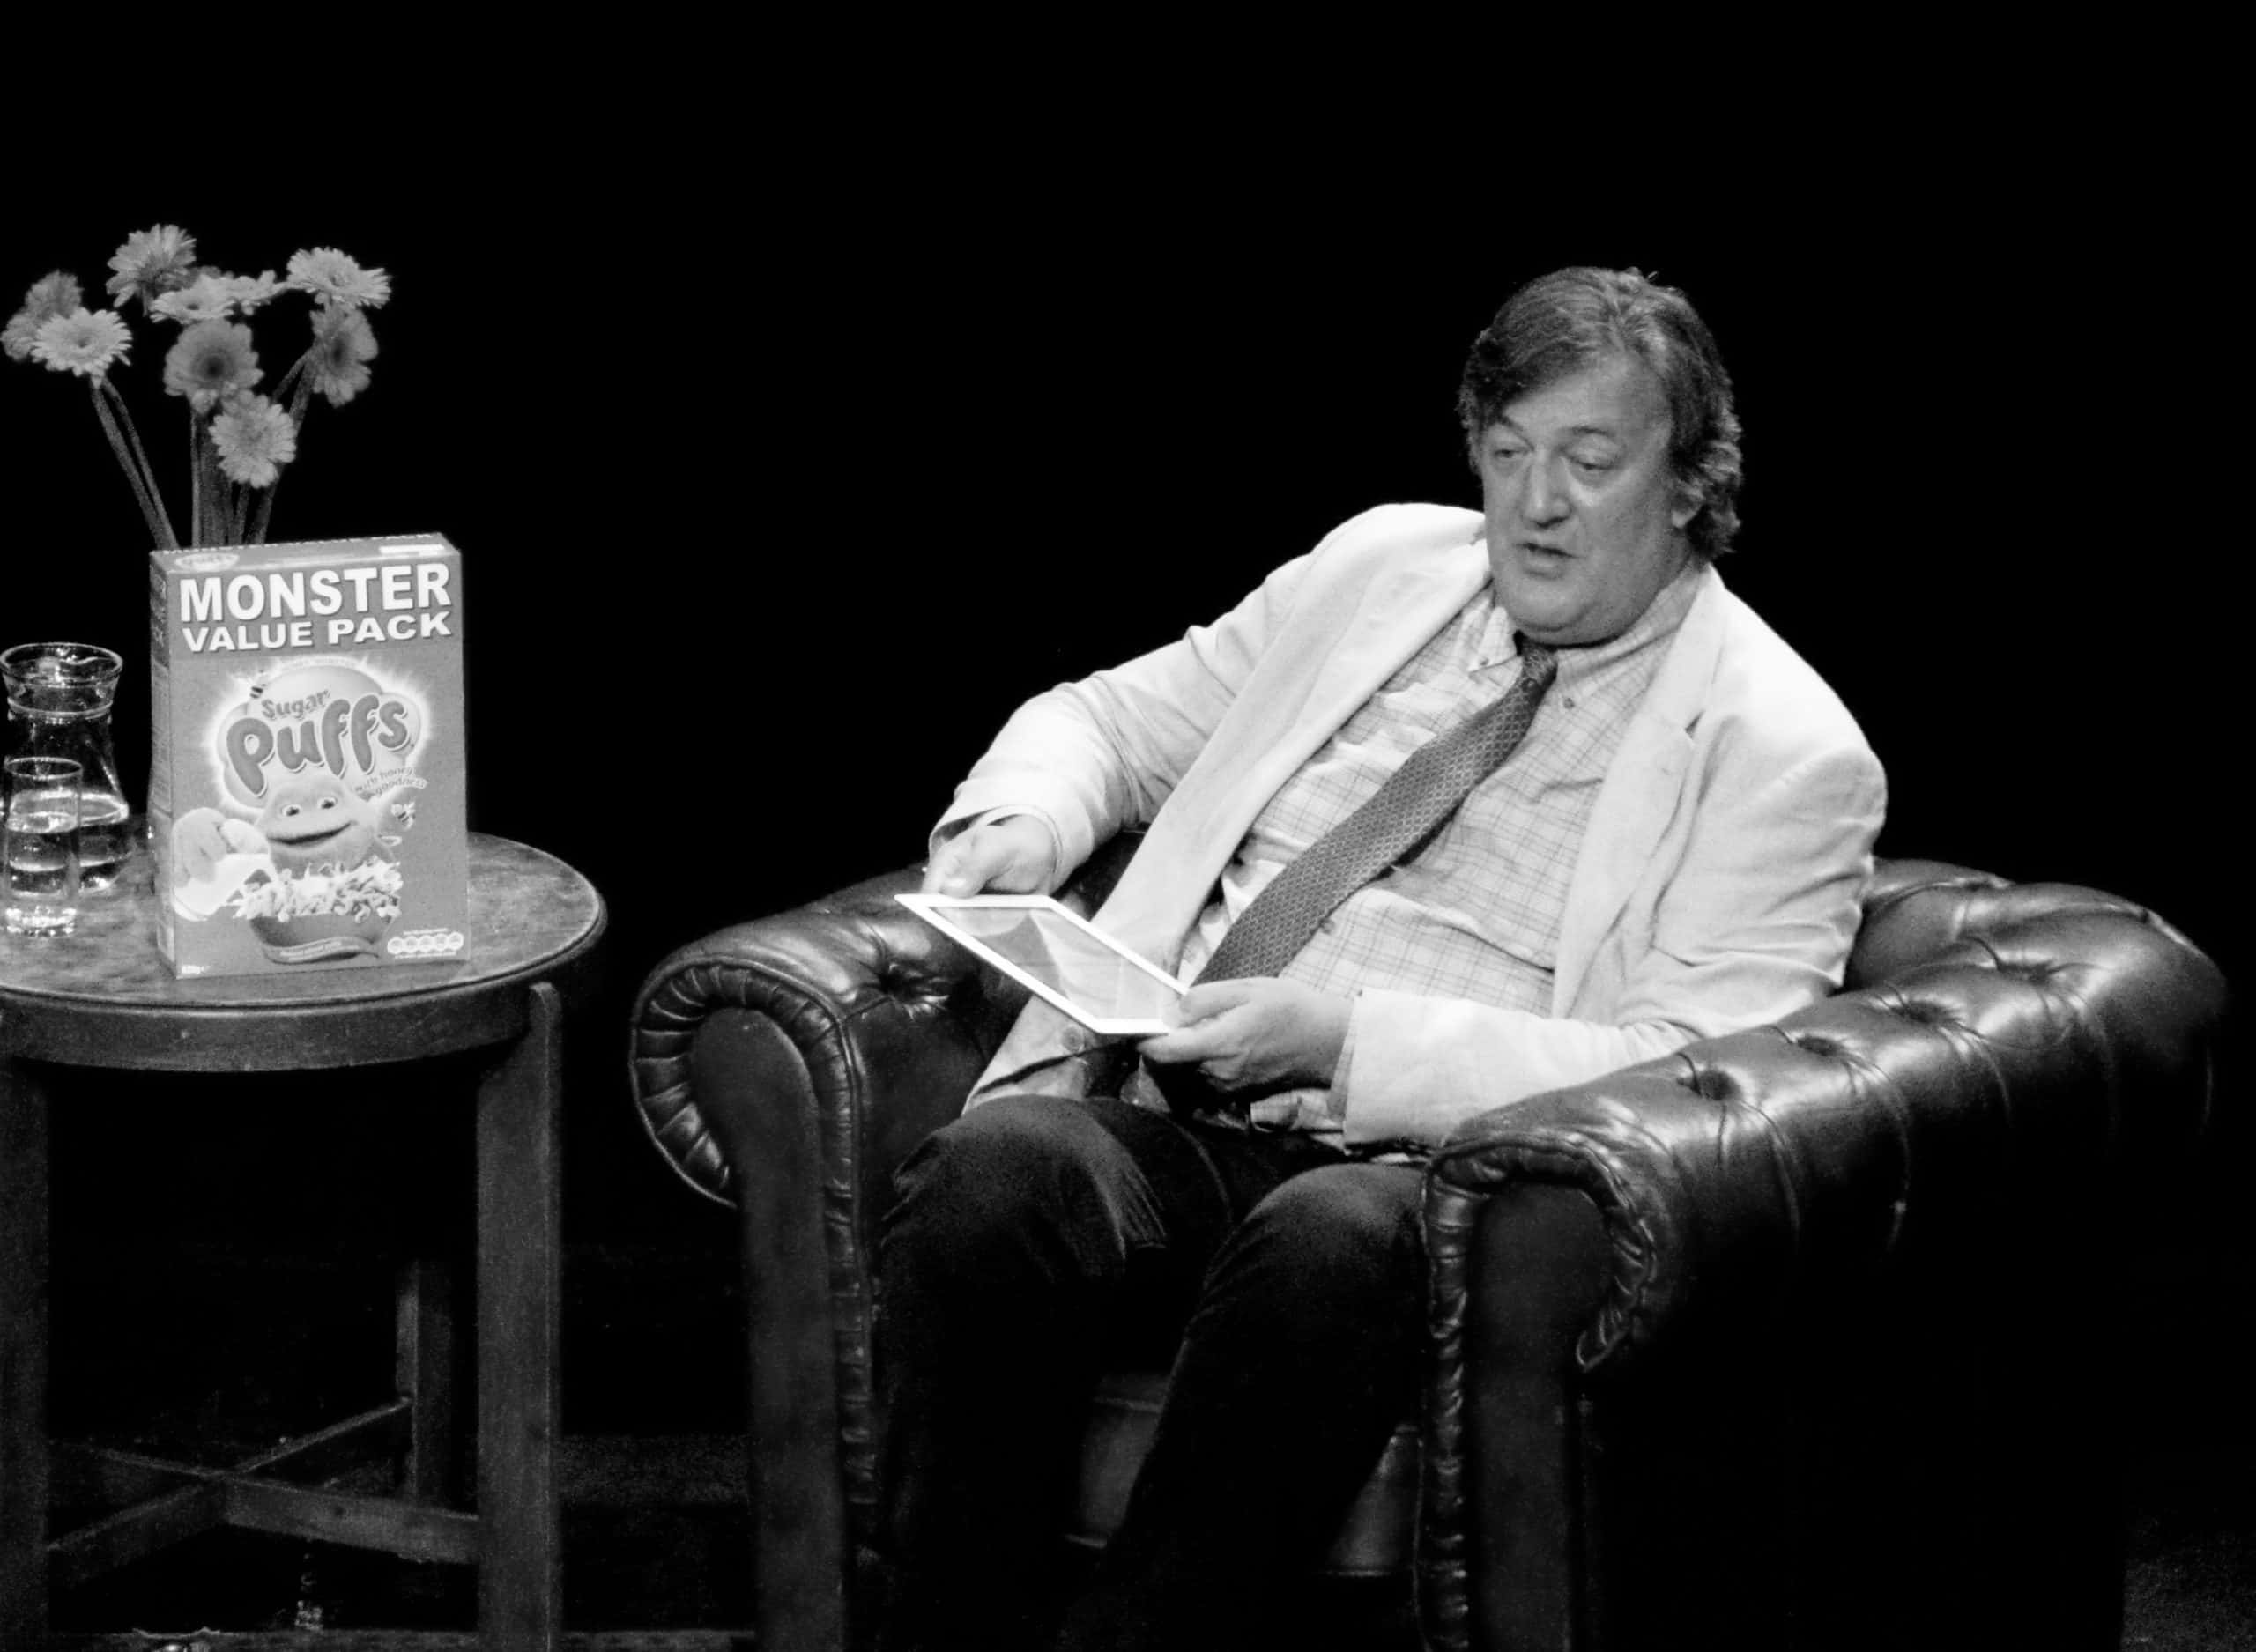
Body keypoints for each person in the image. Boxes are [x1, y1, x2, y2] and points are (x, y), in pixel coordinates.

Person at [873, 267, 1886, 1651]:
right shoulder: (1384, 568)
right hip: (1179, 1110)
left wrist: (1347, 1049)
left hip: (1436, 1184)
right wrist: (1025, 826)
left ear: (1691, 487)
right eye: (1509, 454)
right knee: (1000, 1174)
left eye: (1590, 463)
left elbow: (1695, 1083)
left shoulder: (1780, 747)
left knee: (1329, 1237)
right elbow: (1108, 723)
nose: (1536, 504)